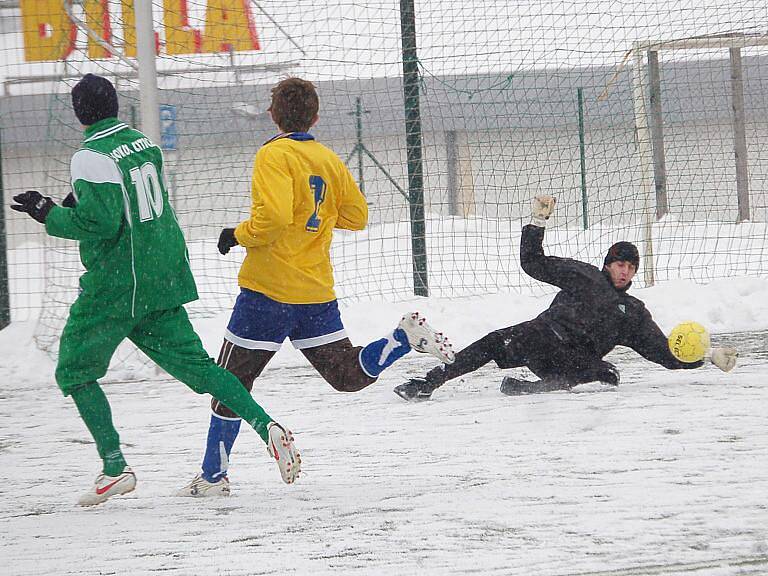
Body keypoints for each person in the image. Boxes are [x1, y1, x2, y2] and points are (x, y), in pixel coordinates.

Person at [10, 74, 300, 506]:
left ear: (78, 112)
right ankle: (268, 427)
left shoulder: (89, 156)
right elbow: (130, 201)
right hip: (162, 275)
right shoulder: (143, 144)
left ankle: (114, 468)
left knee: (74, 370)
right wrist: (78, 201)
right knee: (203, 371)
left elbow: (103, 224)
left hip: (117, 285)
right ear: (115, 104)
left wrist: (48, 212)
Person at [177, 77, 455, 497]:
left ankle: (213, 478)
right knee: (346, 376)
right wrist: (319, 214)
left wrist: (236, 234)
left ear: (272, 114)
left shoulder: (273, 154)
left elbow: (270, 221)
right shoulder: (326, 157)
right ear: (316, 116)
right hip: (315, 292)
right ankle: (400, 340)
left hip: (267, 292)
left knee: (230, 382)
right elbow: (357, 215)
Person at [394, 195, 738, 401]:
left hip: (571, 362)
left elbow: (664, 355)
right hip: (540, 339)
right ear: (608, 264)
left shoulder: (632, 313)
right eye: (620, 264)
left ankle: (533, 388)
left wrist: (705, 356)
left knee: (609, 374)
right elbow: (533, 262)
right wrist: (537, 222)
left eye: (631, 267)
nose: (625, 272)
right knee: (491, 341)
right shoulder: (584, 276)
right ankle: (427, 383)